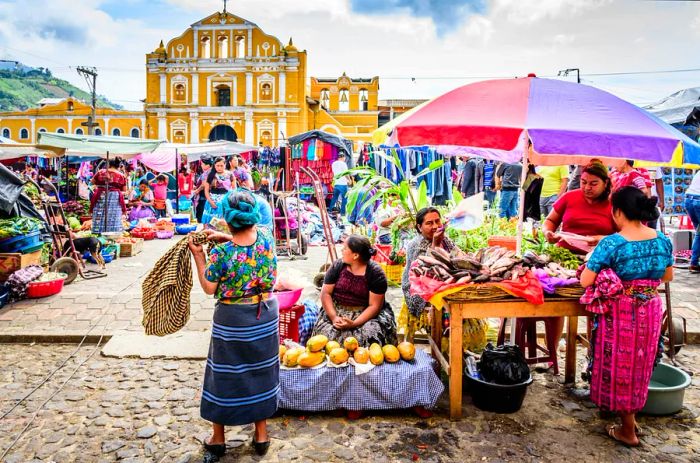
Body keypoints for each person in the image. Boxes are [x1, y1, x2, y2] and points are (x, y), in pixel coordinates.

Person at [579, 186, 673, 447]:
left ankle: (627, 430)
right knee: (640, 364)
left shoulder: (612, 243)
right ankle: (630, 417)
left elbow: (586, 280)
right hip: (651, 309)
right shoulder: (663, 240)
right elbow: (667, 276)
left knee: (621, 365)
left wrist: (602, 271)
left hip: (622, 312)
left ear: (617, 211)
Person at [188, 190, 278, 460]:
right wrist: (227, 239)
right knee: (260, 372)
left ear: (227, 220)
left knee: (224, 375)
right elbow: (248, 247)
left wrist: (199, 255)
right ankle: (261, 435)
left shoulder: (222, 254)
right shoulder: (266, 239)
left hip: (233, 320)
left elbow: (208, 287)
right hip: (264, 315)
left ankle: (218, 439)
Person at [401, 207, 487, 350]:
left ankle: (459, 351)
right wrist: (435, 244)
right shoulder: (415, 245)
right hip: (419, 292)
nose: (435, 226)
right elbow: (425, 274)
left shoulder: (445, 240)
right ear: (419, 227)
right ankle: (448, 348)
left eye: (437, 221)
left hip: (443, 286)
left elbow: (456, 257)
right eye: (429, 223)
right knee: (449, 310)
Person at [311, 235, 397, 347]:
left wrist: (355, 323)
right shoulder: (337, 266)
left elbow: (374, 306)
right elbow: (325, 293)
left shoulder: (376, 273)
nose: (342, 250)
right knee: (326, 338)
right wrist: (334, 317)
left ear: (355, 255)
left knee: (370, 336)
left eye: (345, 248)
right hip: (337, 311)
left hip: (366, 314)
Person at [544, 161, 617, 252]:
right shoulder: (568, 197)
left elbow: (625, 235)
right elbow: (551, 220)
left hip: (598, 258)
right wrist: (548, 232)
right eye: (583, 182)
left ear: (605, 183)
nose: (587, 187)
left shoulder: (614, 204)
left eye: (593, 184)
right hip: (564, 254)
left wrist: (602, 239)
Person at [90, 158, 127, 234]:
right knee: (113, 216)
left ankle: (98, 232)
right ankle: (113, 233)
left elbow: (92, 182)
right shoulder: (121, 175)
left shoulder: (100, 172)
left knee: (99, 214)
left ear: (109, 164)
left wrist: (100, 185)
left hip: (101, 195)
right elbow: (124, 190)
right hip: (115, 197)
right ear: (118, 166)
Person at [201, 157, 236, 226]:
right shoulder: (210, 175)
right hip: (211, 199)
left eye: (221, 166)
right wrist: (210, 201)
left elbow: (234, 190)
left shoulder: (230, 174)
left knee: (221, 221)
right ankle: (208, 233)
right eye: (217, 166)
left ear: (225, 165)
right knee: (209, 221)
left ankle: (220, 234)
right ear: (214, 165)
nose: (219, 167)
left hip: (225, 200)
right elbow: (206, 190)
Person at [684, 170, 700, 273]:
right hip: (698, 200)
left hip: (689, 199)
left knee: (699, 231)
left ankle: (694, 262)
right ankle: (694, 263)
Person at [193, 160, 213, 224]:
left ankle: (202, 224)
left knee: (202, 210)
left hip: (204, 195)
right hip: (205, 194)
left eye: (203, 164)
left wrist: (197, 190)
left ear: (208, 165)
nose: (201, 165)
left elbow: (204, 184)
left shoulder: (208, 172)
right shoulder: (208, 172)